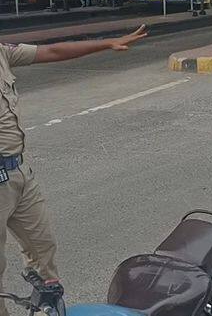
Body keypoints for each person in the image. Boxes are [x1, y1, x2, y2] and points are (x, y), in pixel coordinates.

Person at [0, 26, 147, 316]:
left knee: (42, 248)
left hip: (18, 173)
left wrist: (108, 43)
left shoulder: (3, 53)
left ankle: (46, 306)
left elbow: (53, 51)